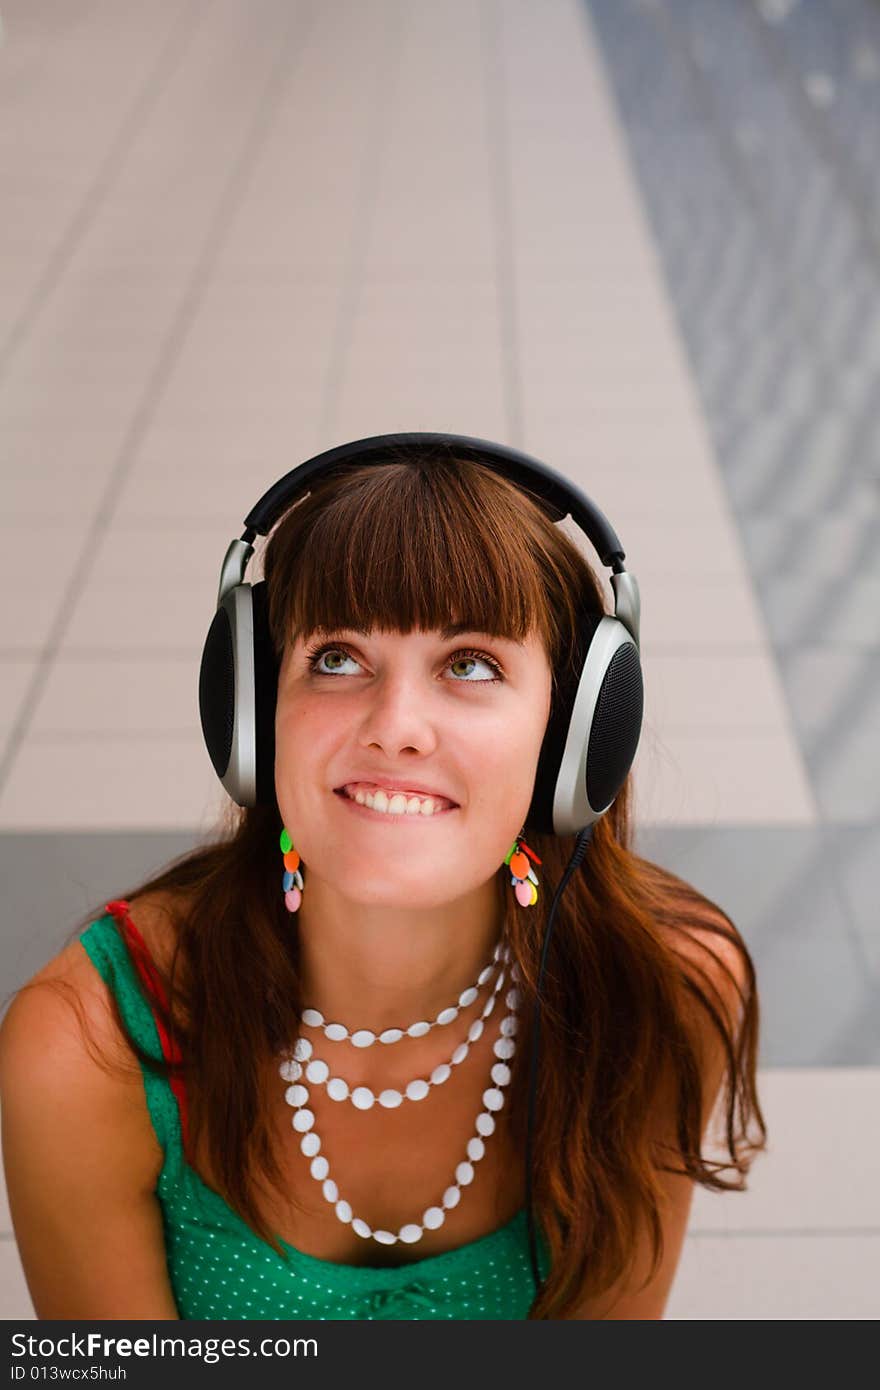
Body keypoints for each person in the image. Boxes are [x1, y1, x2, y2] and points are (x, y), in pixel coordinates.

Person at [0, 437, 766, 1320]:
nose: (395, 727)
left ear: (572, 737)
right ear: (252, 713)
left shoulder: (663, 990)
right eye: (336, 658)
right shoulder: (87, 1045)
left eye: (470, 664)